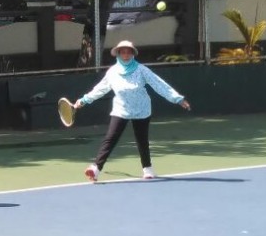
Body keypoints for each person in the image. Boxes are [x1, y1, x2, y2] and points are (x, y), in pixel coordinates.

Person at [74, 40, 191, 181]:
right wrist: (84, 100)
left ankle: (147, 169)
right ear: (118, 54)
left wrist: (177, 99)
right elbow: (100, 89)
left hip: (141, 109)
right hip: (121, 109)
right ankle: (96, 169)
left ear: (132, 54)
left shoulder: (142, 70)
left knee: (142, 140)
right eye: (123, 51)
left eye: (128, 51)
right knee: (110, 139)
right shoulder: (112, 72)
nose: (126, 54)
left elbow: (158, 84)